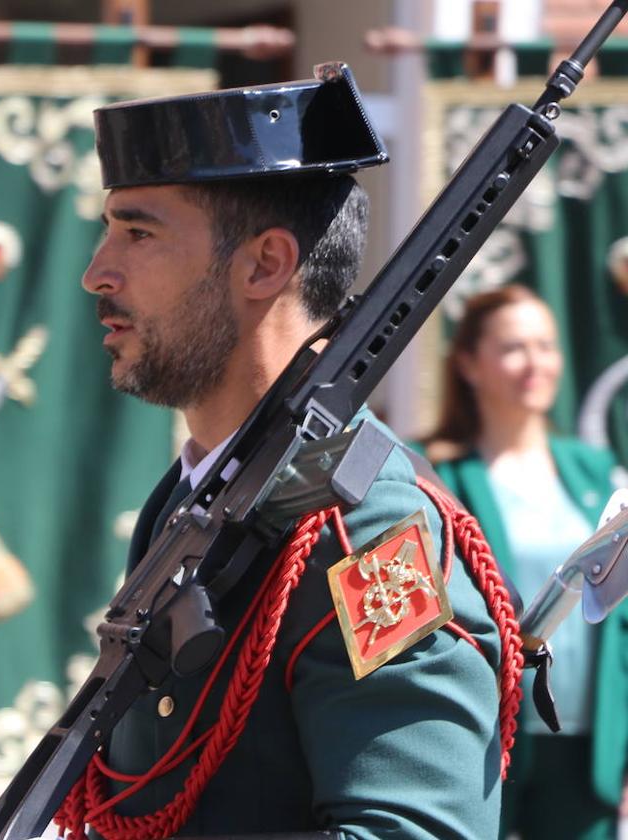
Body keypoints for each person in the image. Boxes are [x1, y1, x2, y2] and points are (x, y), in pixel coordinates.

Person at [62, 65, 510, 839]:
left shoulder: (364, 534)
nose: (97, 272)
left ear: (265, 265)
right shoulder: (196, 494)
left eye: (138, 233)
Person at [422, 284, 628, 840]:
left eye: (546, 345)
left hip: (592, 754)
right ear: (468, 362)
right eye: (514, 347)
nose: (535, 363)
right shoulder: (440, 480)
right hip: (484, 741)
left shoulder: (597, 472)